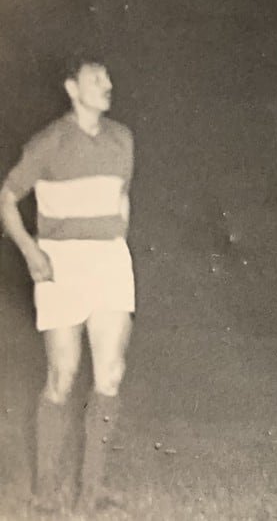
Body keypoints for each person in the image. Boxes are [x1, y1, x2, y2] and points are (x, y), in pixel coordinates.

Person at [1, 57, 136, 514]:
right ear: (72, 89)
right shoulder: (49, 142)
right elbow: (7, 198)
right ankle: (45, 491)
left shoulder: (122, 140)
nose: (107, 84)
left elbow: (122, 197)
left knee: (110, 373)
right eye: (96, 78)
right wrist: (30, 251)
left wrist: (117, 242)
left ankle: (91, 490)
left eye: (108, 77)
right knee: (62, 375)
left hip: (110, 260)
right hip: (62, 263)